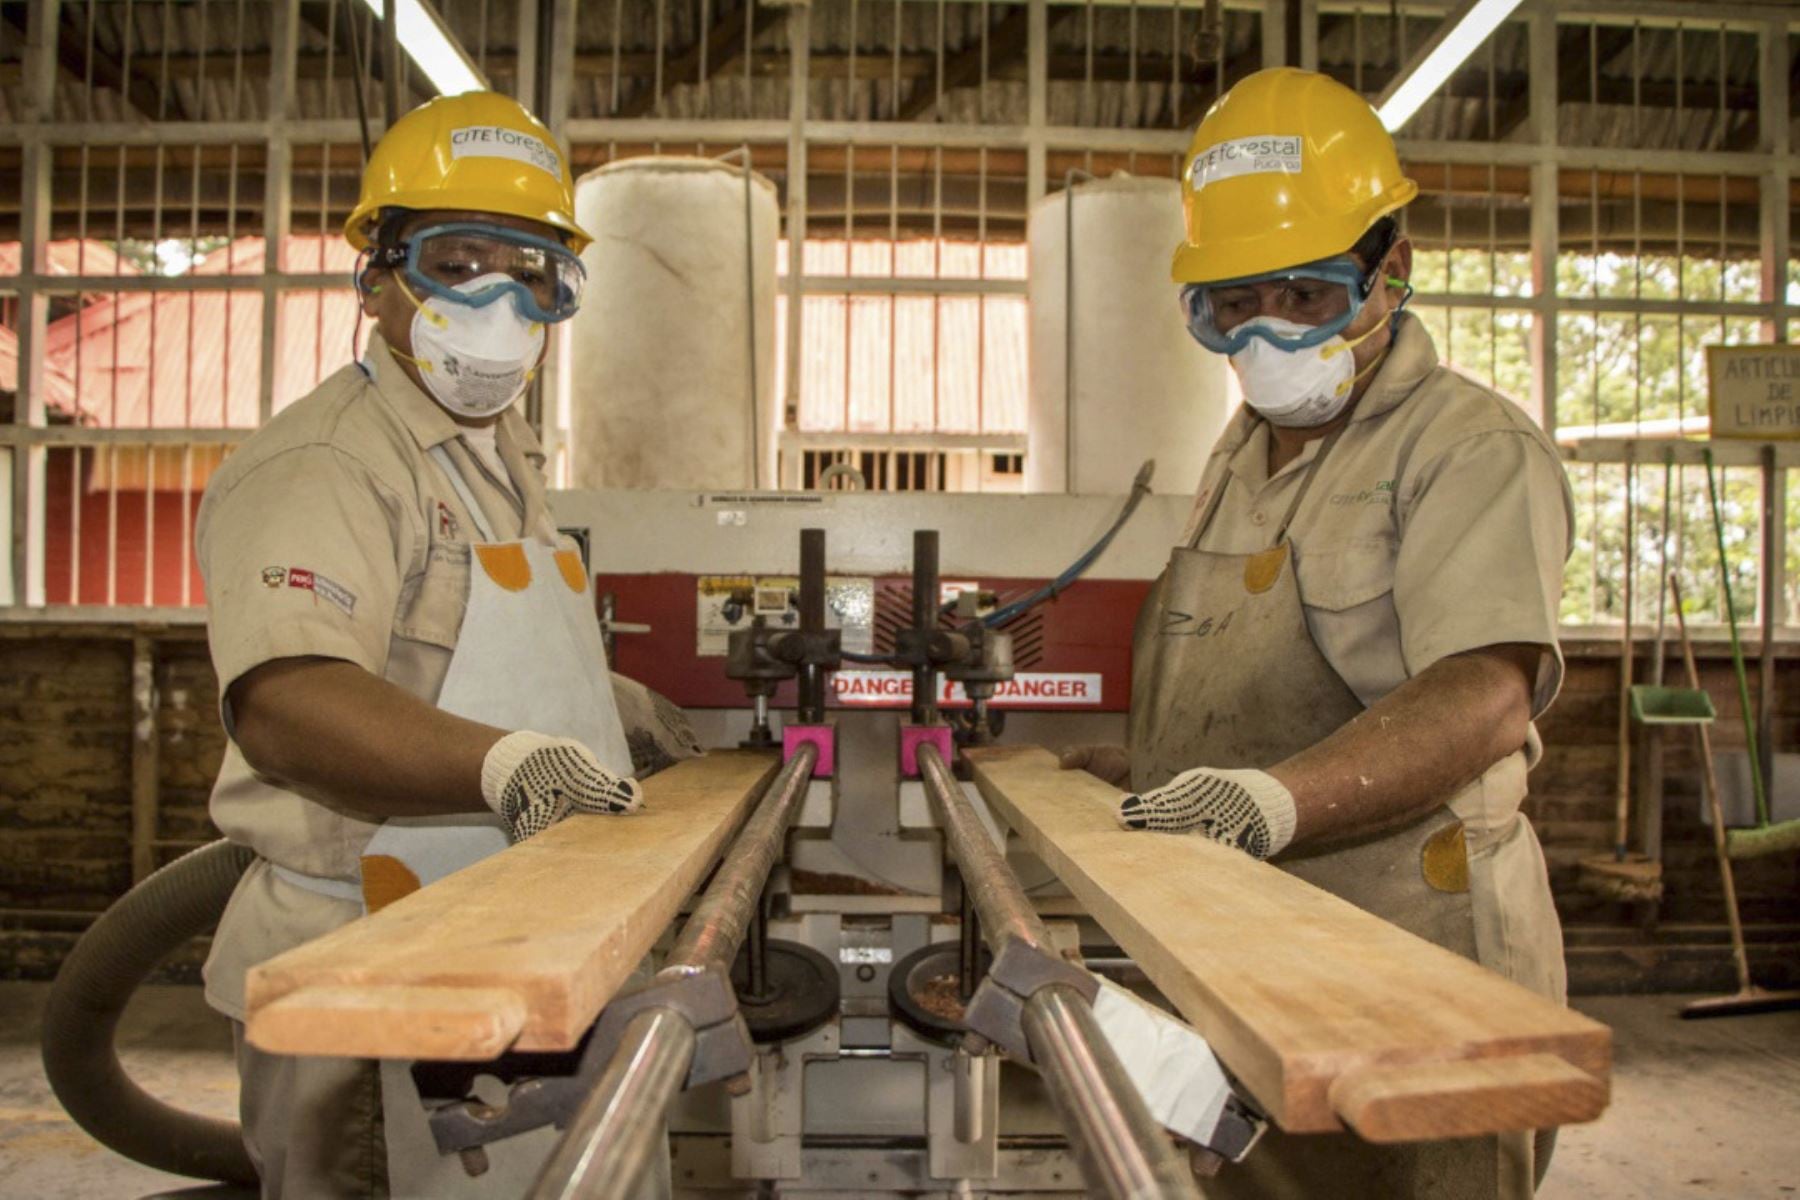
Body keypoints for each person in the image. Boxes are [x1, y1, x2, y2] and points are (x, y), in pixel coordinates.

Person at [1061, 67, 1575, 1199]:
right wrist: (1151, 775)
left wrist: (1273, 799)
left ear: (1392, 267)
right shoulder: (1241, 458)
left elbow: (1486, 691)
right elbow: (1250, 676)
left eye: (1305, 297)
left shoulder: (1467, 449)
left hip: (1413, 944)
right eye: (1230, 307)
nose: (1266, 337)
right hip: (1254, 933)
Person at [196, 91, 697, 1198]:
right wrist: (504, 764)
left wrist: (615, 707)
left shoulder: (491, 449)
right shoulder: (329, 463)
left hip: (508, 940)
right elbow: (287, 701)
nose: (496, 303)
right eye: (456, 259)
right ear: (375, 275)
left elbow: (472, 644)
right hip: (370, 972)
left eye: (534, 275)